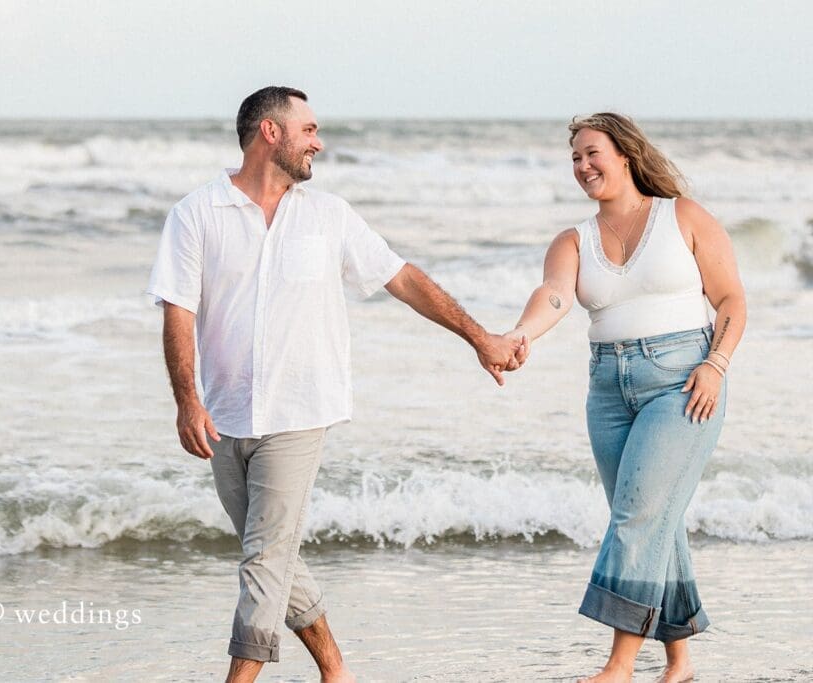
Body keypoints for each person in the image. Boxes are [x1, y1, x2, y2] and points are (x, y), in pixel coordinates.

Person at [147, 86, 524, 683]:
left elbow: (403, 279)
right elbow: (178, 312)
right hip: (224, 414)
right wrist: (186, 399)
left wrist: (479, 336)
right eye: (309, 129)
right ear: (271, 133)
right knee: (274, 557)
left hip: (300, 410)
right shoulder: (197, 214)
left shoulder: (329, 216)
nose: (318, 141)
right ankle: (337, 670)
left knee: (263, 559)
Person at [504, 113, 746, 683]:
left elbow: (732, 297)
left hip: (685, 380)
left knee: (638, 515)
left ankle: (619, 665)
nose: (583, 167)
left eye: (593, 154)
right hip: (608, 390)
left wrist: (716, 364)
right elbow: (556, 295)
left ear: (627, 154)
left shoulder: (682, 216)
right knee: (652, 517)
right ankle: (680, 662)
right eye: (575, 159)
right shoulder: (573, 239)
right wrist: (521, 334)